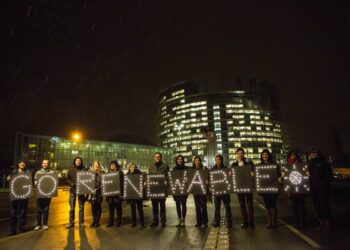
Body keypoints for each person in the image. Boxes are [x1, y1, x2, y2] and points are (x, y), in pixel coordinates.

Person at [308, 148, 333, 232]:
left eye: (315, 153)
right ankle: (321, 224)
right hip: (314, 190)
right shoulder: (310, 164)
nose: (313, 154)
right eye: (312, 153)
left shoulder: (324, 163)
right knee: (317, 207)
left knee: (324, 207)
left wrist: (322, 186)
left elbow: (329, 177)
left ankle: (328, 224)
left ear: (318, 153)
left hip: (323, 190)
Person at [231, 148, 255, 228]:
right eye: (238, 153)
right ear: (236, 154)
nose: (240, 155)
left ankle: (251, 221)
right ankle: (245, 221)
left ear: (243, 154)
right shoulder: (234, 164)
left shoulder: (249, 162)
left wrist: (253, 173)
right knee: (242, 205)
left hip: (248, 186)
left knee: (249, 204)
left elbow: (254, 171)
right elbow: (231, 175)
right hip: (239, 187)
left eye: (241, 153)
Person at [283, 151, 307, 229]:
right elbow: (285, 179)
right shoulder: (287, 166)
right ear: (289, 156)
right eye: (291, 155)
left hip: (300, 190)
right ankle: (296, 223)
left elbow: (305, 176)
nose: (293, 156)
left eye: (294, 154)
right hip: (292, 190)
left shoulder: (301, 165)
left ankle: (302, 223)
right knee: (294, 208)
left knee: (301, 207)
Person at [7, 160, 31, 236]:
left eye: (24, 162)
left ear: (25, 165)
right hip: (15, 196)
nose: (22, 164)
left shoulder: (28, 173)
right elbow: (9, 180)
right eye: (21, 162)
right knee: (13, 213)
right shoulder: (13, 173)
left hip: (24, 196)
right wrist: (8, 178)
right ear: (18, 164)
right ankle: (13, 230)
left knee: (23, 213)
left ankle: (21, 228)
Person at [259, 149, 281, 229]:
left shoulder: (274, 164)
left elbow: (279, 174)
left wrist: (280, 177)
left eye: (266, 154)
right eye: (263, 155)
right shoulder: (259, 165)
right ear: (261, 156)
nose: (265, 156)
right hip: (264, 189)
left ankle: (274, 222)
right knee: (267, 206)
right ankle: (269, 222)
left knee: (273, 205)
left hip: (273, 188)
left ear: (269, 155)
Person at [148, 152, 169, 227]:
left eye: (159, 156)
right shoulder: (151, 166)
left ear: (161, 158)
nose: (157, 158)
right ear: (154, 158)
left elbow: (168, 175)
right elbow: (149, 176)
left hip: (162, 189)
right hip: (153, 189)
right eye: (156, 156)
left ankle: (163, 221)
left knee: (162, 206)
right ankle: (155, 221)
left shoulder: (165, 166)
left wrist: (166, 180)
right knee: (154, 207)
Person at [66, 156, 87, 228]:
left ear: (81, 162)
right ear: (74, 161)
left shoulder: (84, 169)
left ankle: (81, 222)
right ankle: (71, 222)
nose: (78, 161)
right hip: (72, 191)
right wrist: (72, 184)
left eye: (79, 160)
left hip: (81, 191)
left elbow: (88, 178)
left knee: (81, 208)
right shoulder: (71, 169)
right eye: (77, 160)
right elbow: (67, 179)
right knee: (72, 208)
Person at [212, 154, 232, 228]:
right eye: (216, 159)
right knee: (217, 207)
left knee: (227, 206)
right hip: (217, 192)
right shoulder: (213, 169)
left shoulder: (226, 169)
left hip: (225, 191)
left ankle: (229, 221)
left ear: (222, 160)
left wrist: (230, 174)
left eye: (219, 159)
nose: (218, 161)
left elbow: (230, 178)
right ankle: (217, 221)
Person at [34, 159, 54, 231]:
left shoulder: (52, 172)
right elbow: (35, 181)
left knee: (46, 209)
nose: (45, 164)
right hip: (39, 193)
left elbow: (53, 182)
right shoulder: (38, 172)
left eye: (46, 163)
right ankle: (38, 224)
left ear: (48, 164)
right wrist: (37, 183)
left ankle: (45, 224)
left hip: (48, 194)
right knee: (39, 209)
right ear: (42, 164)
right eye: (44, 163)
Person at [126, 162, 145, 228]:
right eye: (131, 167)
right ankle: (134, 222)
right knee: (132, 209)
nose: (132, 168)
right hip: (131, 195)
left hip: (138, 194)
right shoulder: (127, 174)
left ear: (135, 167)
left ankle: (142, 223)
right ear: (129, 167)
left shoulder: (139, 173)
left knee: (140, 209)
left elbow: (143, 181)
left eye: (133, 167)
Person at [192, 156, 209, 228]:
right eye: (196, 160)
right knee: (197, 206)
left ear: (200, 161)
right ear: (194, 162)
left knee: (204, 206)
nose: (197, 162)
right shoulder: (192, 170)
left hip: (203, 190)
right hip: (196, 190)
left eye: (198, 160)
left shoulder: (204, 169)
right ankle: (198, 222)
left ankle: (204, 222)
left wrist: (207, 180)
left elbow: (208, 176)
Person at [106, 160, 124, 227]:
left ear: (116, 166)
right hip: (110, 196)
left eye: (113, 165)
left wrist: (121, 194)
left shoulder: (120, 173)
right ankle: (111, 222)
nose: (112, 166)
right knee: (111, 209)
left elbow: (122, 183)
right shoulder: (108, 173)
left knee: (118, 209)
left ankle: (119, 221)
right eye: (111, 165)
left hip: (117, 195)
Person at [172, 155, 188, 227]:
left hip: (184, 190)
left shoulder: (186, 168)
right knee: (177, 205)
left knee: (183, 204)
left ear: (183, 160)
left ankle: (183, 220)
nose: (180, 160)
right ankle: (179, 219)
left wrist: (188, 178)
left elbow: (190, 177)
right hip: (176, 189)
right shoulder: (174, 169)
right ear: (176, 160)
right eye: (178, 159)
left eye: (181, 159)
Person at [89, 160, 103, 228]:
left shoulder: (102, 173)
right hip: (92, 192)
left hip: (99, 192)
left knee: (98, 206)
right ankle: (94, 221)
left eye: (97, 164)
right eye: (95, 164)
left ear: (99, 165)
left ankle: (97, 221)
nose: (96, 165)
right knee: (93, 207)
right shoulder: (90, 173)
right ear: (93, 166)